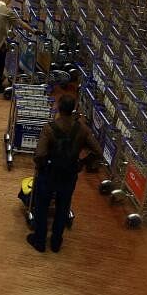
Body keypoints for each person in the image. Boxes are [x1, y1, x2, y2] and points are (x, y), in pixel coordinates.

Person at [29, 94, 101, 253]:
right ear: (73, 109)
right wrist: (82, 162)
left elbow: (39, 155)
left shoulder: (50, 128)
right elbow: (97, 151)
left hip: (49, 173)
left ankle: (39, 241)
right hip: (69, 174)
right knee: (62, 207)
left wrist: (41, 167)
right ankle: (56, 243)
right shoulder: (82, 129)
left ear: (58, 108)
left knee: (42, 206)